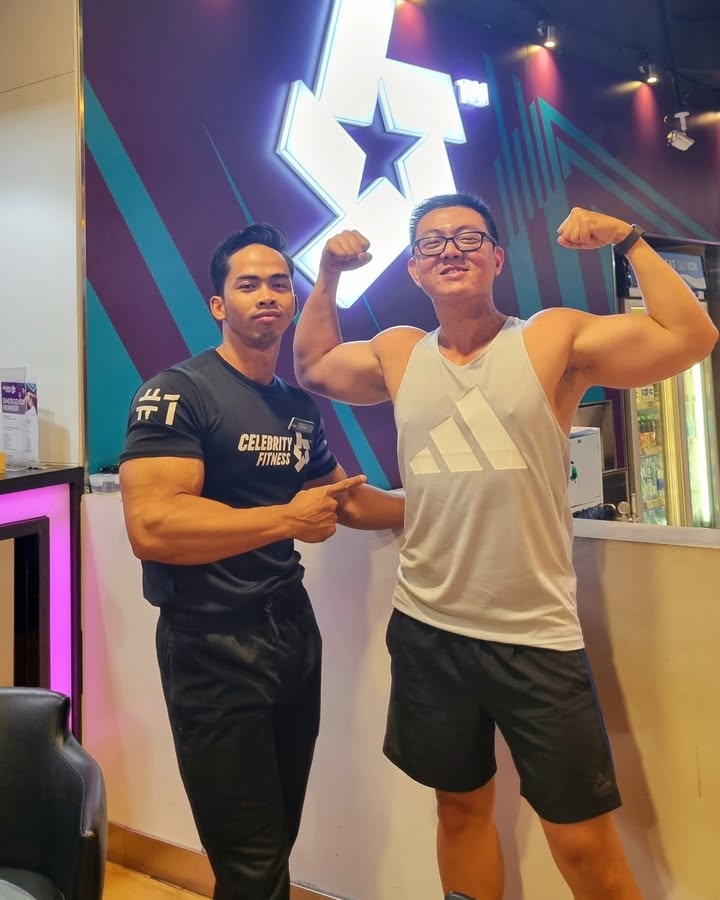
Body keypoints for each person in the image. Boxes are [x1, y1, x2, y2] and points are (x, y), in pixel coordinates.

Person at [292, 194, 718, 900]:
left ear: (496, 258)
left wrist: (629, 239)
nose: (450, 250)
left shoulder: (549, 339)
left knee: (583, 845)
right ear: (415, 271)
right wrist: (330, 276)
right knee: (460, 812)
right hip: (429, 628)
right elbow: (313, 367)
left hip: (534, 635)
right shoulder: (400, 351)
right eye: (432, 243)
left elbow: (691, 337)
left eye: (468, 238)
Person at [119, 223, 404, 900]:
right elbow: (153, 525)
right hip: (211, 642)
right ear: (219, 304)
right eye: (248, 285)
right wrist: (286, 521)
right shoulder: (177, 392)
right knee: (249, 859)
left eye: (279, 283)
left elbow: (341, 498)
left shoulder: (293, 405)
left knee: (274, 841)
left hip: (291, 633)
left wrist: (438, 504)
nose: (268, 295)